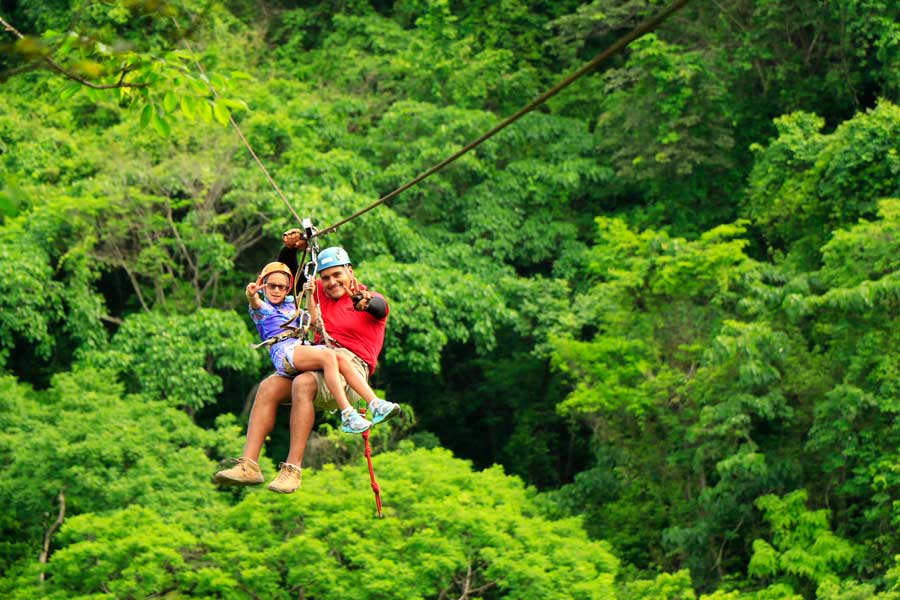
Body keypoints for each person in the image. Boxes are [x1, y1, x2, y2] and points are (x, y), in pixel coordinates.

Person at [214, 239, 400, 494]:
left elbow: (378, 308)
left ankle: (293, 469)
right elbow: (289, 275)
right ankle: (249, 465)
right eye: (326, 277)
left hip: (350, 370)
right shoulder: (319, 295)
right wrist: (291, 248)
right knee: (268, 387)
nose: (332, 282)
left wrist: (364, 302)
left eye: (337, 275)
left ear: (350, 272)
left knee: (304, 382)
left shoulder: (370, 299)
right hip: (317, 358)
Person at [243, 260, 374, 435]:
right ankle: (347, 413)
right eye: (271, 286)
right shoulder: (264, 308)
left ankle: (375, 402)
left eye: (281, 287)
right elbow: (256, 304)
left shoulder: (290, 303)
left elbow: (311, 320)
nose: (276, 291)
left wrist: (310, 293)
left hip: (299, 347)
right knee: (328, 356)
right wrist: (252, 296)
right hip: (284, 352)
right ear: (263, 285)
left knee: (337, 357)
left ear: (287, 289)